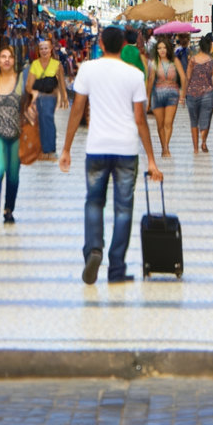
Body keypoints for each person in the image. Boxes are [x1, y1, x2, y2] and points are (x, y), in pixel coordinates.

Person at [59, 25, 162, 285]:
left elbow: (77, 109)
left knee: (94, 202)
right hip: (126, 149)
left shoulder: (88, 69)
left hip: (97, 147)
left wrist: (67, 148)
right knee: (123, 209)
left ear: (102, 44)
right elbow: (140, 119)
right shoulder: (134, 75)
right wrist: (151, 158)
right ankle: (116, 269)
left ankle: (94, 249)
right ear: (123, 46)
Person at [0, 45, 33, 225]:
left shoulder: (21, 79)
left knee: (13, 174)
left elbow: (29, 103)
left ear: (14, 61)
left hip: (16, 134)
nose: (6, 60)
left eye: (9, 57)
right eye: (3, 56)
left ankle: (9, 209)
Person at [144, 40, 185, 157]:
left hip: (172, 94)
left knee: (168, 123)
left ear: (168, 49)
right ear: (156, 50)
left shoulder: (175, 61)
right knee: (160, 124)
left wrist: (182, 94)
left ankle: (166, 147)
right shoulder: (154, 63)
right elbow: (150, 81)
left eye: (164, 48)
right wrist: (147, 98)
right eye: (159, 48)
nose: (162, 50)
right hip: (157, 95)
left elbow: (183, 77)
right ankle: (163, 147)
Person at [28, 38, 64, 162]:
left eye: (46, 48)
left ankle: (50, 149)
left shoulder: (56, 64)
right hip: (39, 96)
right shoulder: (35, 64)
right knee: (41, 121)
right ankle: (44, 149)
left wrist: (61, 98)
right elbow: (29, 84)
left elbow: (61, 84)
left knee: (48, 119)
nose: (44, 51)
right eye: (41, 48)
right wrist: (32, 96)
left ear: (50, 50)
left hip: (50, 96)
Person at [182, 36, 213, 154]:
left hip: (192, 93)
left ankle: (195, 149)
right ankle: (203, 141)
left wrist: (183, 95)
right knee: (206, 119)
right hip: (208, 92)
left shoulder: (192, 59)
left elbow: (187, 77)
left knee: (194, 121)